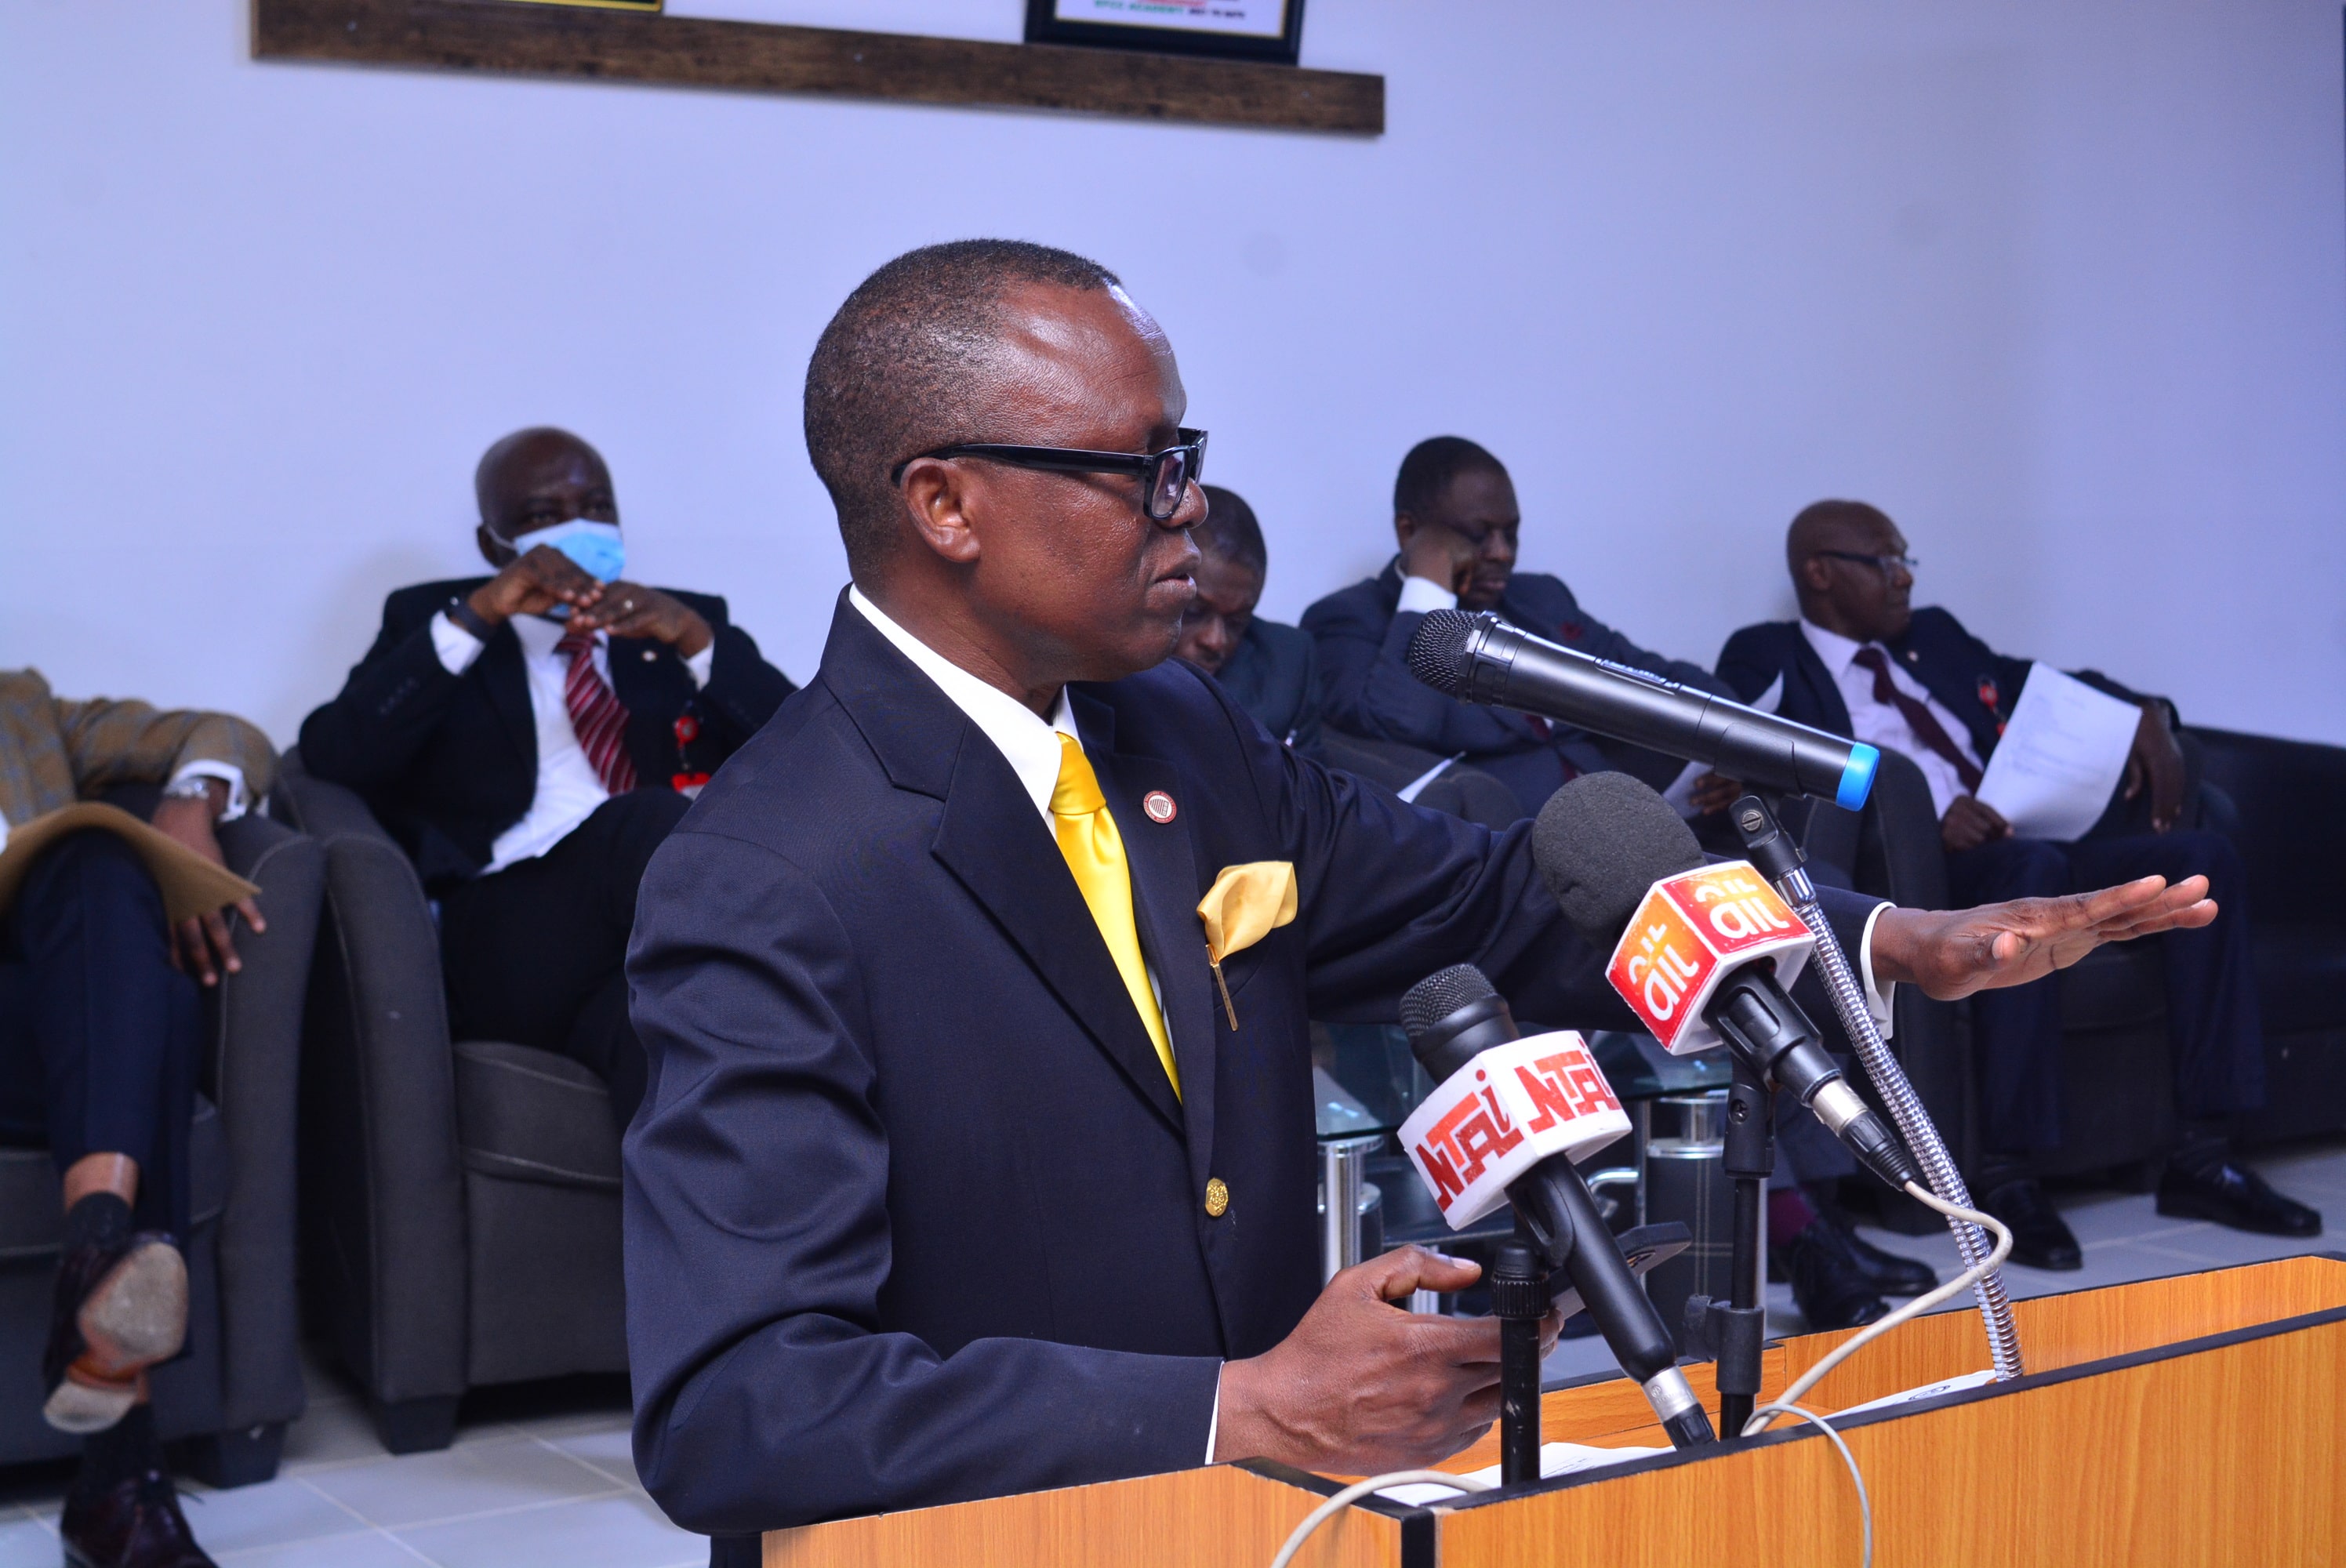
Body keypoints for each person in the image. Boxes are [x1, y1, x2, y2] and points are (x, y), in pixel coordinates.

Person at [620, 241, 2221, 1559]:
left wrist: (1879, 942)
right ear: (945, 503)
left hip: (1265, 1530)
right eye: (1145, 467)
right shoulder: (768, 872)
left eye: (1189, 460)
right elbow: (741, 1406)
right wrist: (1240, 1404)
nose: (1188, 508)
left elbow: (1509, 901)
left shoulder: (1176, 730)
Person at [1716, 499, 2319, 1268]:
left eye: (1905, 560)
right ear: (1820, 573)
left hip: (2024, 843)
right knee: (2030, 872)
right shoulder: (1769, 655)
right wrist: (1931, 819)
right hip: (1914, 871)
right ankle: (2008, 1174)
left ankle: (2204, 1154)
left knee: (2202, 859)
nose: (1903, 578)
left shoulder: (1935, 638)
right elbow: (1751, 747)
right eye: (1884, 561)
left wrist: (2144, 717)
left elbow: (2043, 686)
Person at [298, 427, 796, 1127]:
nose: (578, 527)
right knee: (653, 822)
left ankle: (717, 1195)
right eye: (541, 514)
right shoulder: (433, 618)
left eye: (596, 507)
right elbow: (334, 754)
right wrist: (481, 614)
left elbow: (805, 756)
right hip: (512, 931)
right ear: (491, 544)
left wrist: (696, 641)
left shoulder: (680, 622)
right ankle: (785, 983)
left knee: (669, 1035)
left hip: (646, 940)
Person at [2, 670, 276, 1568]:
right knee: (153, 1008)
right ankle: (119, 1483)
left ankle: (98, 1248)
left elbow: (224, 730)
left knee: (97, 857)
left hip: (41, 1020)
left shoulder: (21, 707)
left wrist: (190, 802)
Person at [1301, 437, 1741, 822]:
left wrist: (1735, 753)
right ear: (1410, 531)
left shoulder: (1540, 598)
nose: (1503, 553)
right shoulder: (1348, 619)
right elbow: (1396, 727)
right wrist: (1428, 588)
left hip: (1631, 823)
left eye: (1511, 534)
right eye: (1478, 535)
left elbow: (1657, 676)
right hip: (1507, 851)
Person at [1171, 485, 1322, 753]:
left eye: (1237, 621)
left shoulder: (1289, 665)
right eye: (1194, 611)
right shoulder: (1107, 651)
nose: (1215, 641)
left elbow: (1309, 776)